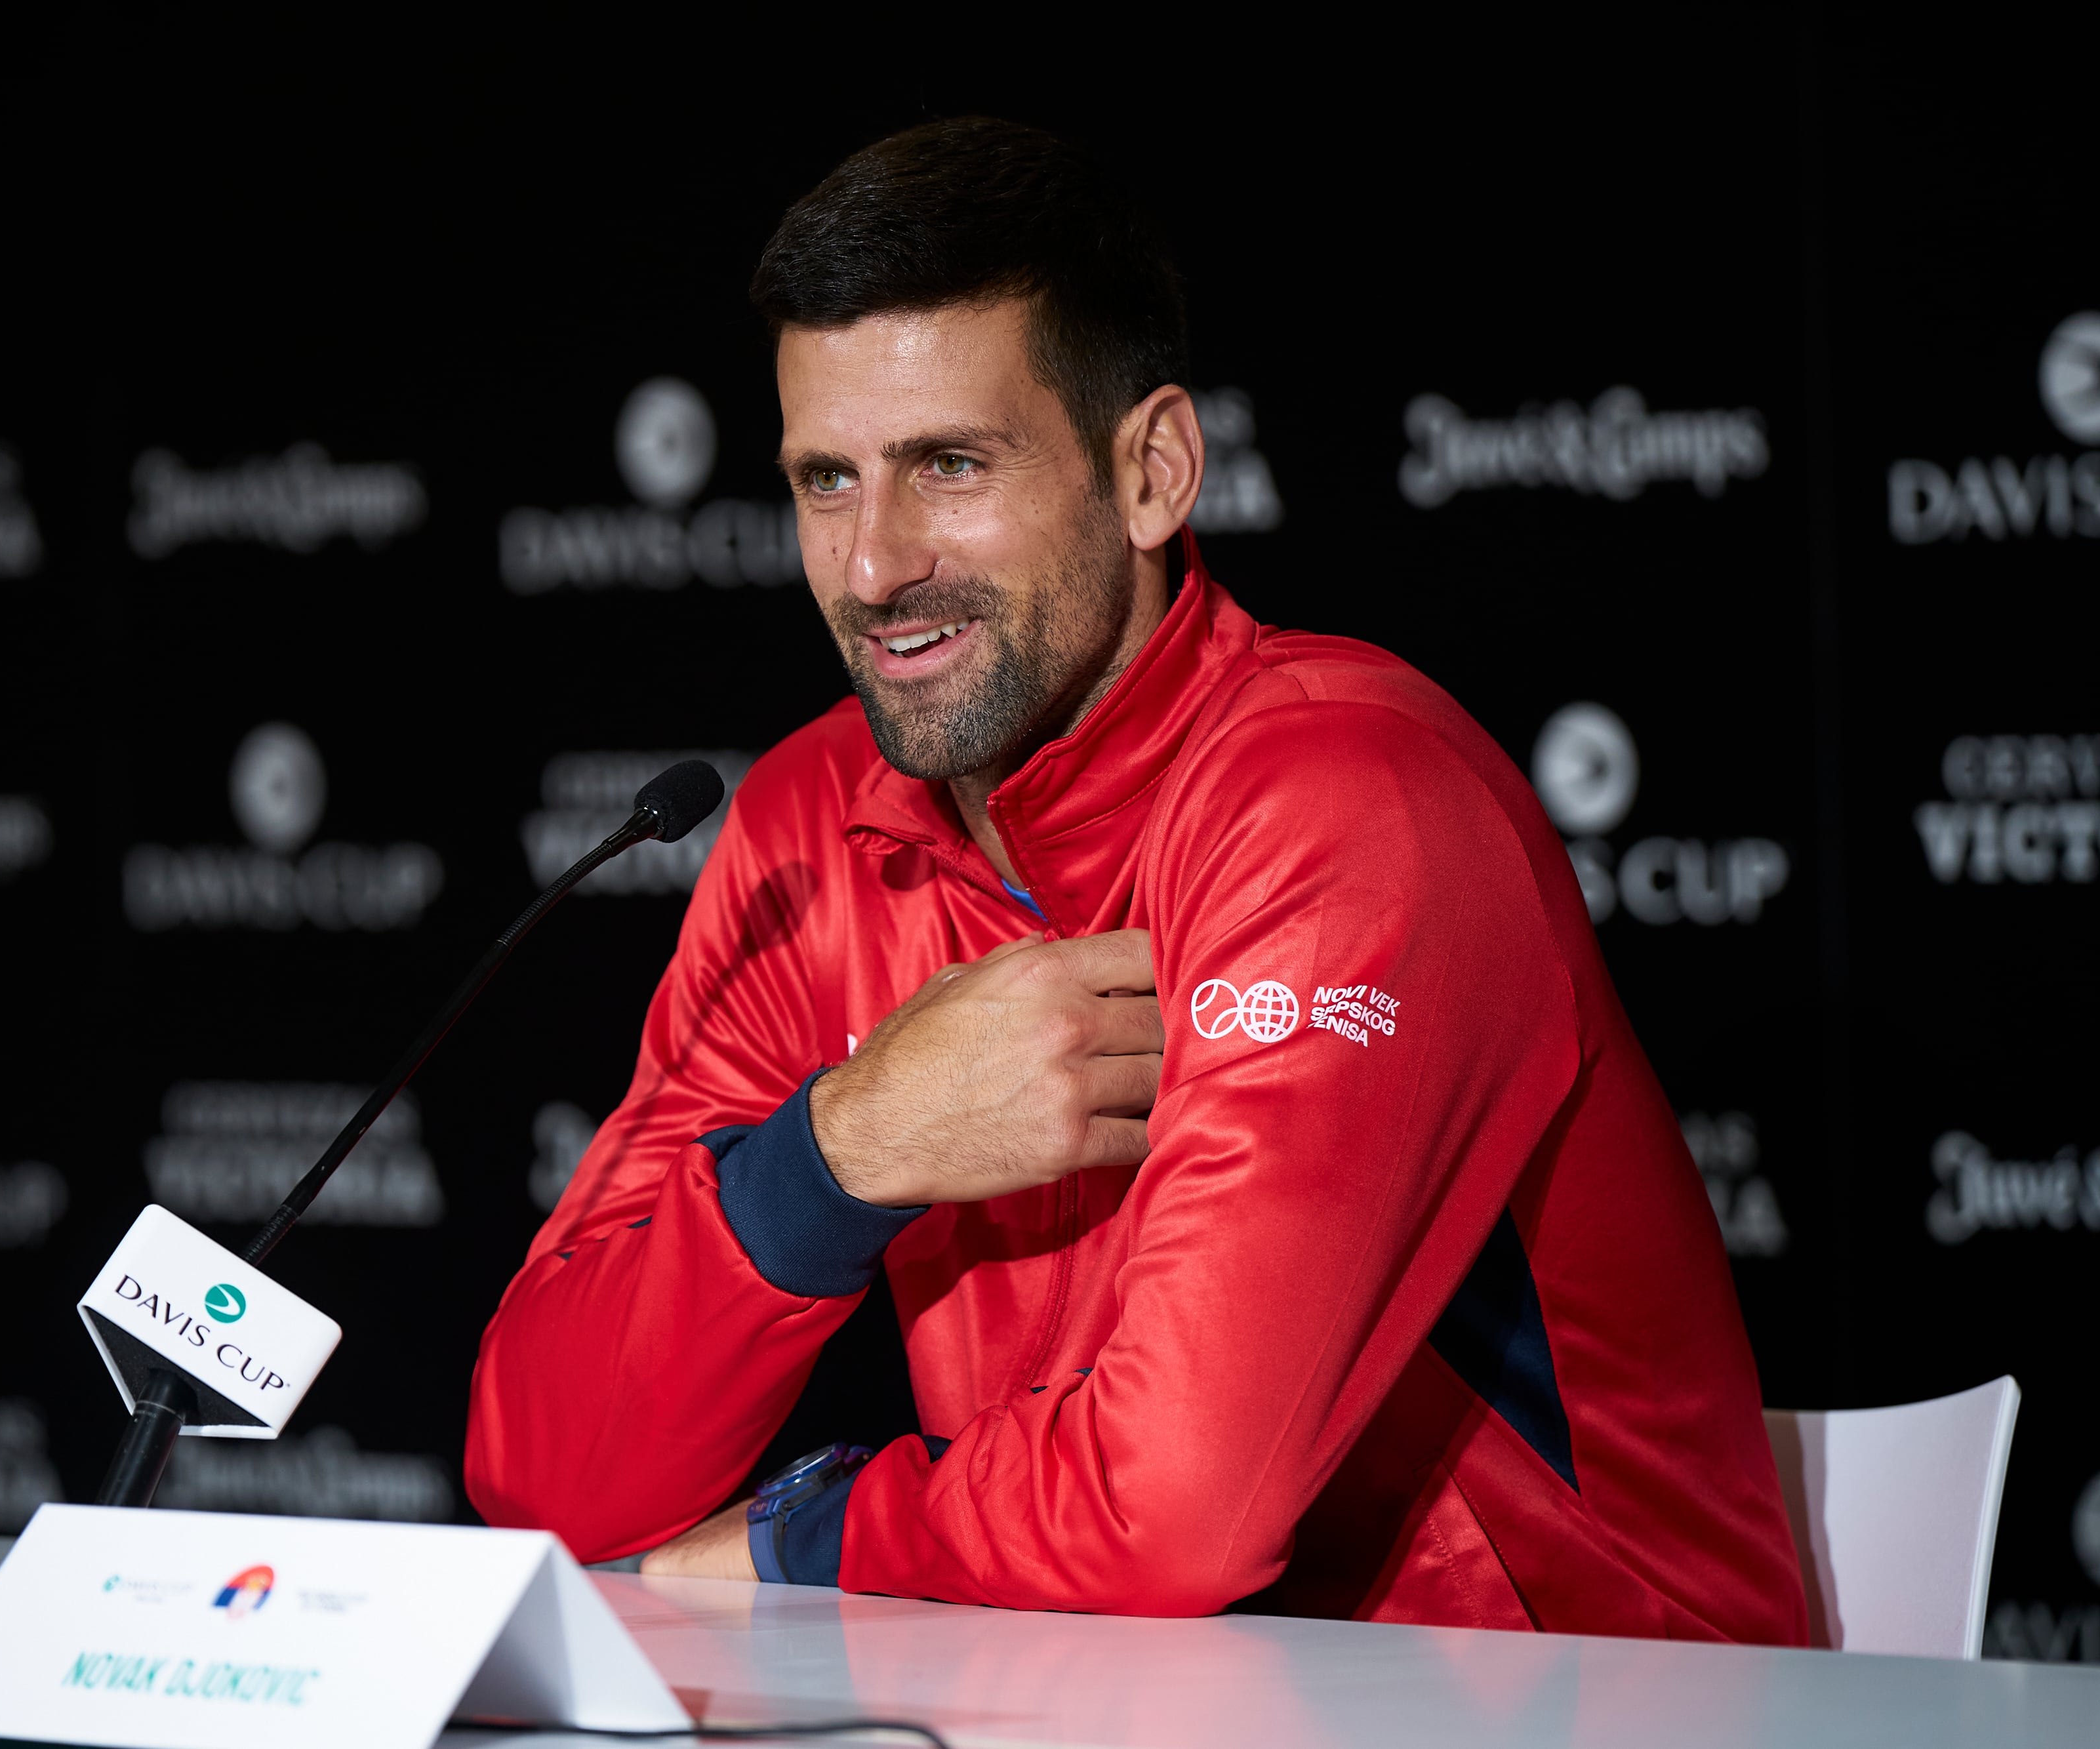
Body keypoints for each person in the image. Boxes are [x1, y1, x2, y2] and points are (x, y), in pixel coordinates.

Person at [466, 117, 1807, 1643]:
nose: (870, 565)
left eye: (948, 466)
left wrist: (794, 1535)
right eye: (823, 481)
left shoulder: (1349, 803)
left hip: (1578, 1700)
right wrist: (841, 1148)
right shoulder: (806, 819)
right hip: (1110, 1687)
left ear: (1152, 470)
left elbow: (1170, 1512)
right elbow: (547, 1471)